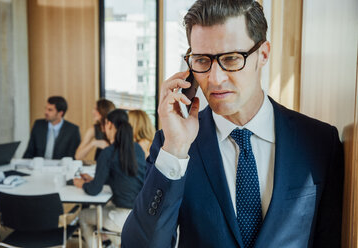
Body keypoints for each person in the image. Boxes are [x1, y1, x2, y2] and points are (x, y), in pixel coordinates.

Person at [122, 0, 344, 247]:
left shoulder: (320, 142)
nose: (215, 79)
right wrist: (176, 150)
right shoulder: (173, 146)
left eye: (230, 58)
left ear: (263, 54)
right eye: (202, 61)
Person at [74, 109, 146, 247]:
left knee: (83, 216)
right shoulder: (137, 148)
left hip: (122, 217)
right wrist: (93, 179)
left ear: (110, 125)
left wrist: (81, 184)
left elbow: (94, 190)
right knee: (106, 209)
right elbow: (123, 177)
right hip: (140, 214)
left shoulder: (107, 153)